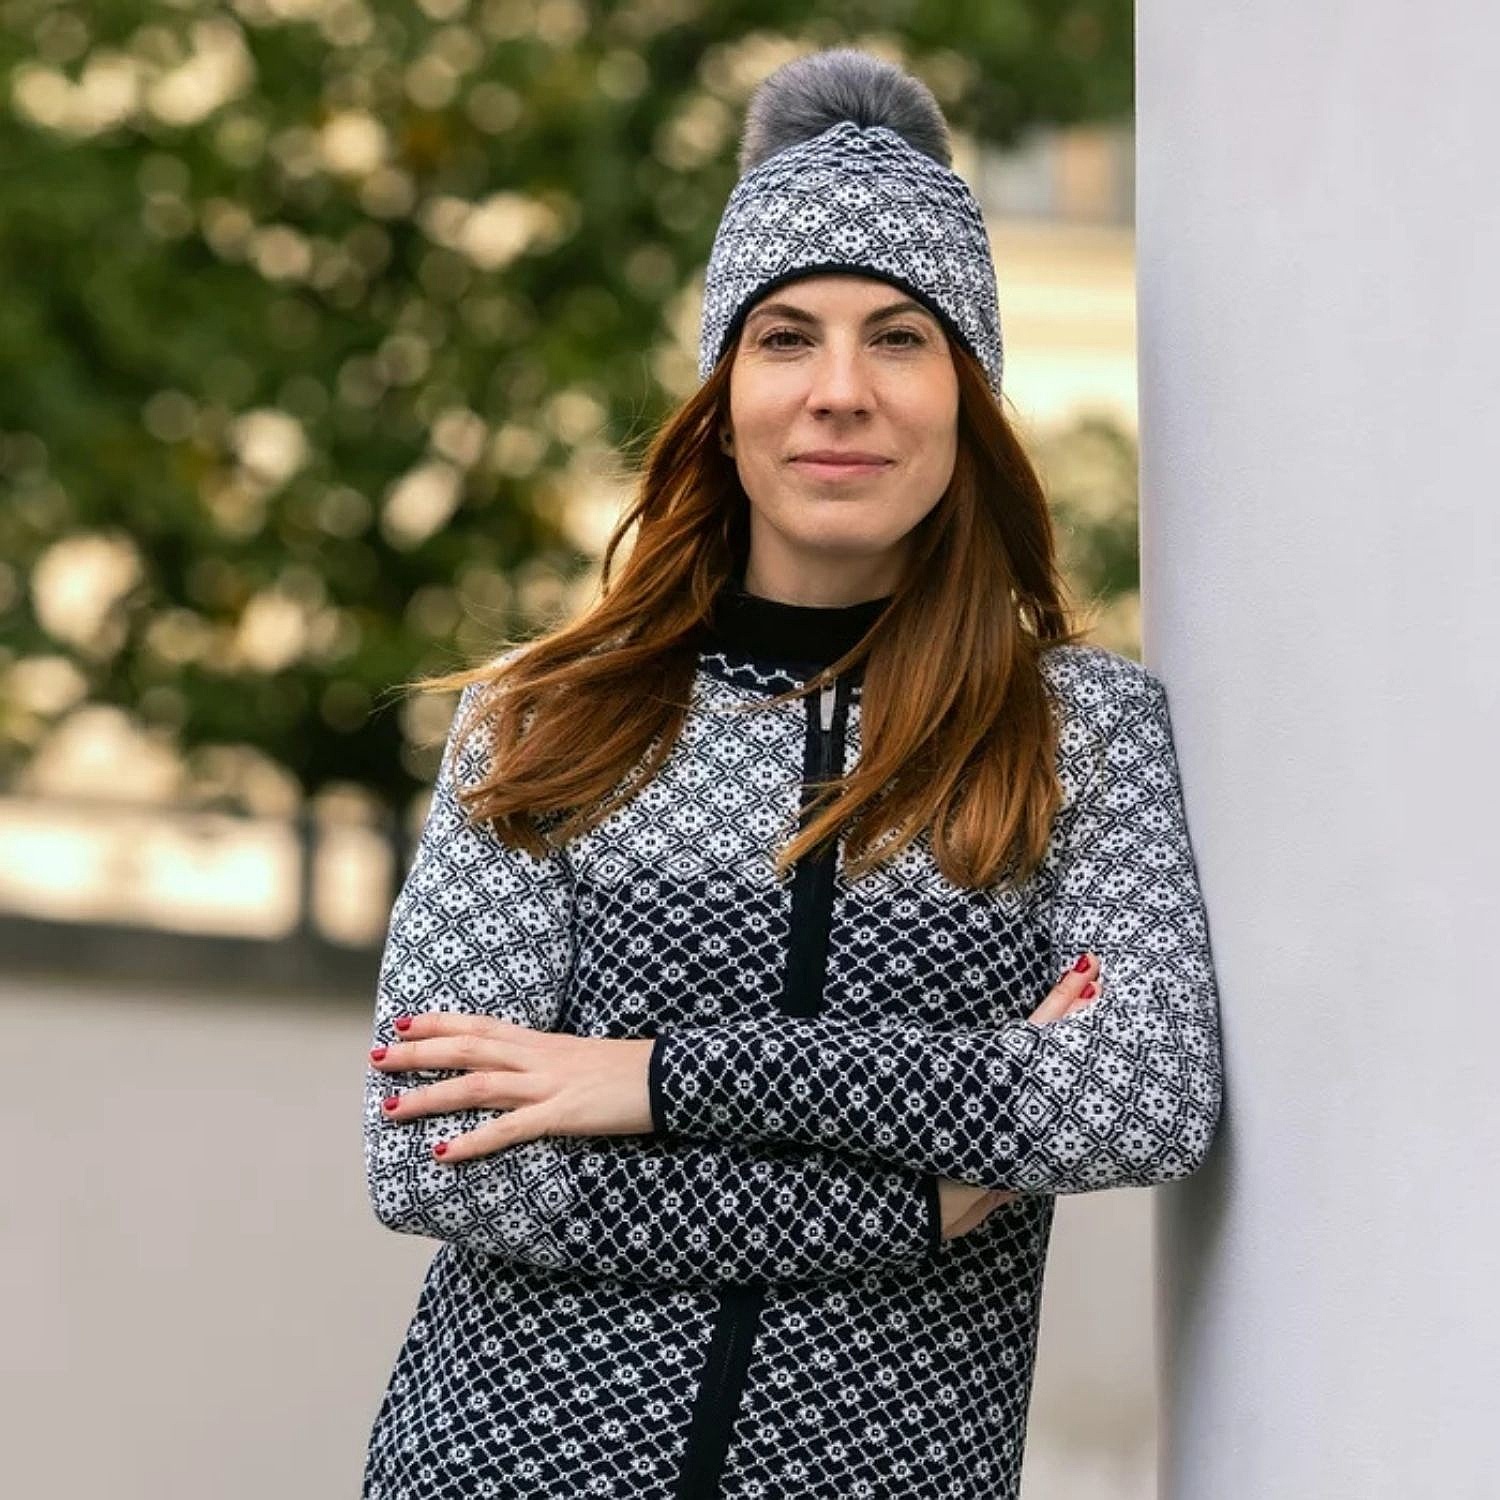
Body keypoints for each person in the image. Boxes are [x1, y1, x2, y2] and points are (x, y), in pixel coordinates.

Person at [360, 45, 1224, 1500]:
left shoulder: (1081, 734)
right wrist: (927, 1195)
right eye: (784, 337)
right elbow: (435, 1153)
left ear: (968, 393)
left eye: (899, 338)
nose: (839, 392)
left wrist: (648, 1078)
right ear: (722, 394)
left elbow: (1139, 1095)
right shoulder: (542, 720)